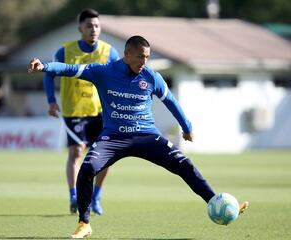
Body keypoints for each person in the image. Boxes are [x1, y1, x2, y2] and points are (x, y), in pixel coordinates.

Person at [28, 35, 249, 239]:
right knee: (87, 168)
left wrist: (187, 127)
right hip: (113, 138)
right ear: (127, 55)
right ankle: (84, 223)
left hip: (147, 136)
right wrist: (44, 66)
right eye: (140, 56)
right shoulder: (103, 72)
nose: (144, 61)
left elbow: (171, 101)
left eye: (147, 57)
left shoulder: (151, 77)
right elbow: (68, 68)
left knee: (184, 164)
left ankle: (216, 202)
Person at [43, 9, 119, 215]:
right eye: (89, 26)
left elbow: (119, 78)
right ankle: (73, 196)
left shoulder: (109, 52)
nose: (93, 29)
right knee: (76, 152)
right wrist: (51, 101)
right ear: (80, 28)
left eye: (96, 25)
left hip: (101, 113)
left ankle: (96, 196)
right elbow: (49, 74)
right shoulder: (65, 51)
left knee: (106, 157)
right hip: (73, 111)